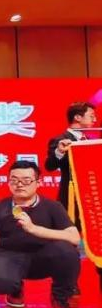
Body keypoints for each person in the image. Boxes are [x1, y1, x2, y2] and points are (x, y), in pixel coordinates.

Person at [0, 160, 81, 308]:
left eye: (26, 180)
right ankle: (14, 289)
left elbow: (74, 237)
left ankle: (60, 298)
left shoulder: (53, 207)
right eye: (14, 180)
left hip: (42, 258)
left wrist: (34, 229)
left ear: (38, 183)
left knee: (67, 251)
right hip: (10, 257)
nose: (19, 185)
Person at [45, 101, 101, 289]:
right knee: (68, 242)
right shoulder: (60, 140)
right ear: (77, 117)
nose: (95, 119)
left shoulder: (91, 141)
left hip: (93, 199)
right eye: (91, 116)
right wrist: (60, 151)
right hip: (72, 199)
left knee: (99, 237)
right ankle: (67, 283)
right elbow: (49, 165)